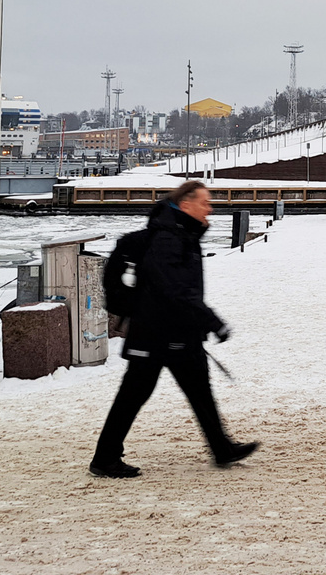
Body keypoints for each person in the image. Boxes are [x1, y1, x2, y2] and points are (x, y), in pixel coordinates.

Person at [90, 181, 257, 478]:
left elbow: (178, 291)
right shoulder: (169, 239)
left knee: (199, 391)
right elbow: (175, 289)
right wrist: (212, 321)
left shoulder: (180, 235)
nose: (210, 208)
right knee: (133, 395)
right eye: (205, 202)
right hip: (157, 333)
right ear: (186, 204)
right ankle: (105, 458)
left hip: (175, 331)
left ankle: (221, 448)